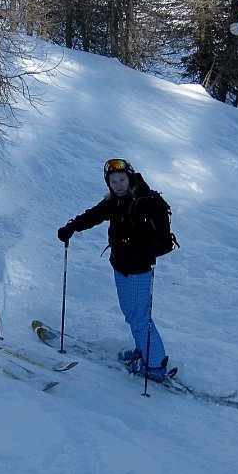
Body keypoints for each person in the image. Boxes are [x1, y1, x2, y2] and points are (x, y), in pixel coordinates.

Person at [57, 158, 172, 382]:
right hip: (121, 266)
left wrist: (141, 251)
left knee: (139, 318)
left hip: (138, 269)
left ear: (130, 178)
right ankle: (144, 351)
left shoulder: (144, 202)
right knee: (132, 314)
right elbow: (94, 215)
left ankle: (156, 366)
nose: (118, 184)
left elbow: (163, 241)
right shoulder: (116, 201)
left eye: (122, 179)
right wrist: (71, 227)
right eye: (113, 181)